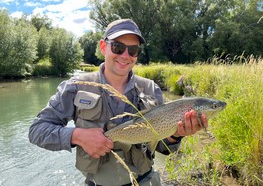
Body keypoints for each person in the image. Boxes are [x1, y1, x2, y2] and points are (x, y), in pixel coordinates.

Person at [29, 18, 208, 186]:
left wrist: (176, 135)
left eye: (133, 50)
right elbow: (37, 130)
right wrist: (77, 136)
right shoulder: (75, 87)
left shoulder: (151, 89)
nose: (125, 55)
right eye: (117, 47)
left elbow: (161, 146)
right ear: (103, 46)